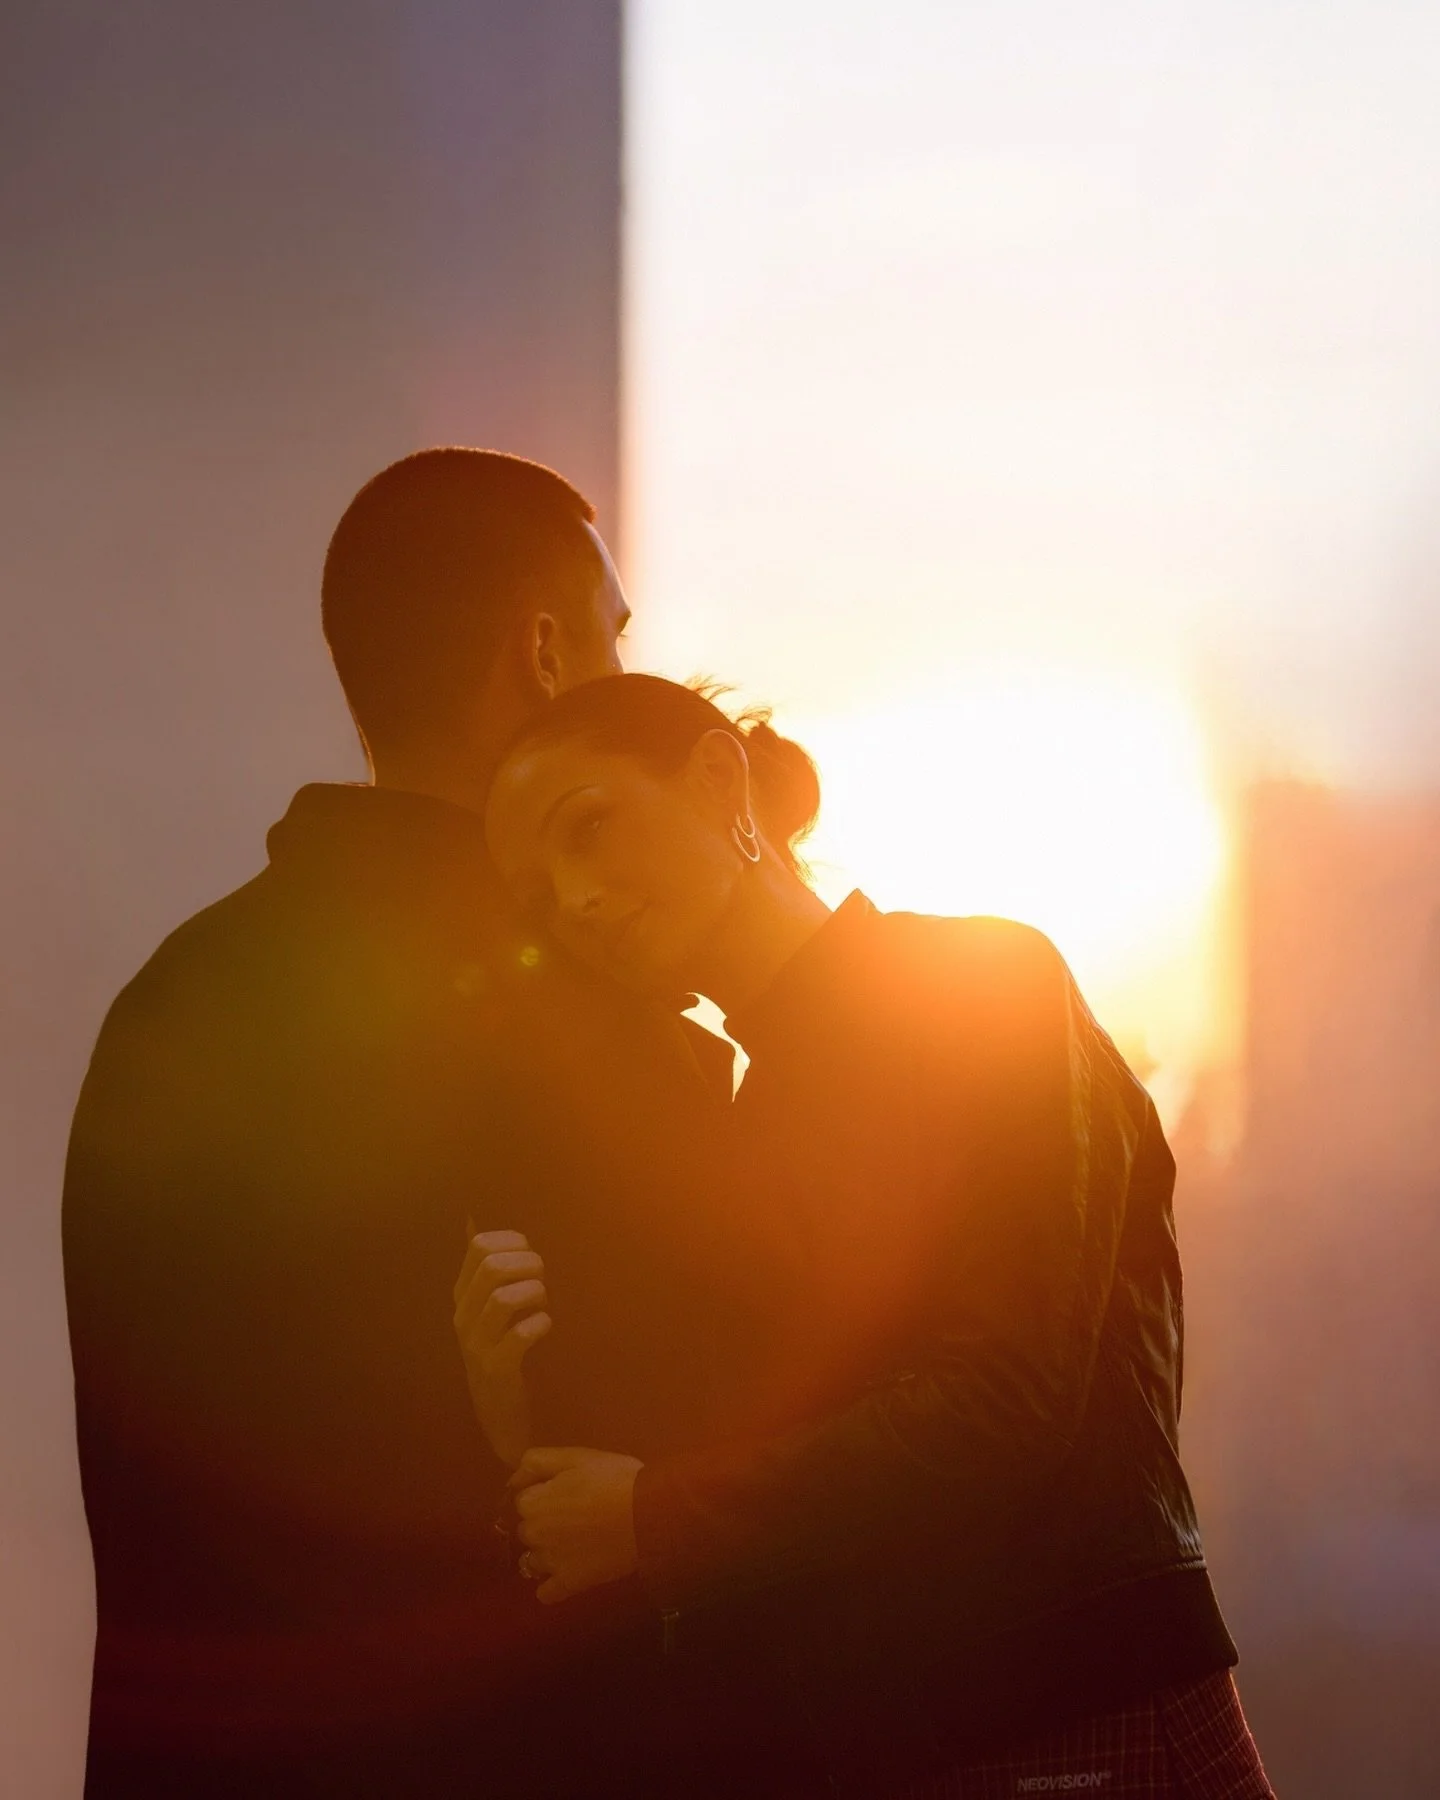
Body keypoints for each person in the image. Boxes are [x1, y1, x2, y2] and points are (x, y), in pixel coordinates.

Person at [61, 453, 774, 1798]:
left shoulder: (172, 1003)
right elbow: (724, 1470)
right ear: (548, 653)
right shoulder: (586, 1027)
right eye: (618, 637)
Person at [478, 672, 1277, 1799]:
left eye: (590, 830)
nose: (580, 899)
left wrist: (658, 1515)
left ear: (718, 784)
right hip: (896, 1738)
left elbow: (1007, 1396)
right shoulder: (741, 1117)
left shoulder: (982, 986)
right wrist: (512, 1395)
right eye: (542, 901)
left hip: (1067, 1710)